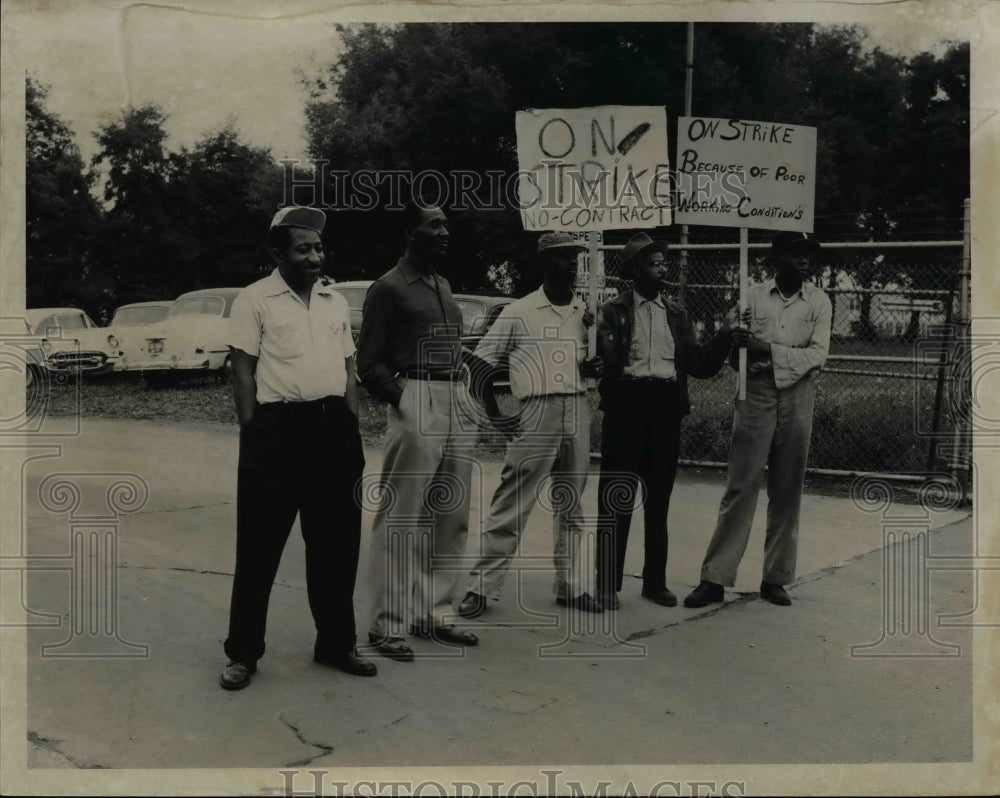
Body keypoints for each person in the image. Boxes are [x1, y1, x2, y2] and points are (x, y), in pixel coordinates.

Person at [220, 206, 374, 691]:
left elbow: (349, 366)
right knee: (260, 548)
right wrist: (256, 433)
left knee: (336, 545)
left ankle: (335, 643)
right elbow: (242, 371)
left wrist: (349, 417)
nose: (315, 257)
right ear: (277, 253)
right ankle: (243, 653)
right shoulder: (254, 300)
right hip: (278, 431)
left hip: (334, 431)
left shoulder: (332, 301)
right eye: (304, 249)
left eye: (319, 248)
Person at [458, 231, 605, 619]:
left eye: (574, 257)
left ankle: (570, 586)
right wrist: (495, 414)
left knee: (571, 505)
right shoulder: (520, 311)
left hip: (576, 407)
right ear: (545, 262)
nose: (571, 264)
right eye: (562, 257)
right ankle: (481, 587)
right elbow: (478, 364)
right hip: (536, 409)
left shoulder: (585, 312)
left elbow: (592, 365)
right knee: (512, 502)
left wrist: (595, 364)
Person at [357, 200, 479, 662]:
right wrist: (403, 399)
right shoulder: (388, 288)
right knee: (402, 517)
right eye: (435, 225)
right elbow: (368, 363)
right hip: (417, 397)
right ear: (410, 233)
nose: (446, 231)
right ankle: (386, 625)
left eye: (447, 223)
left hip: (454, 398)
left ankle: (435, 613)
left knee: (451, 514)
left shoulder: (442, 285)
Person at [684, 230, 832, 608]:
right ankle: (715, 578)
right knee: (741, 484)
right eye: (795, 253)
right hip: (756, 392)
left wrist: (768, 348)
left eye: (808, 254)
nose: (804, 260)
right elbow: (738, 353)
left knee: (787, 487)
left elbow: (817, 355)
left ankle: (776, 578)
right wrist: (738, 339)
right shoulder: (752, 296)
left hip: (798, 395)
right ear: (776, 258)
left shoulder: (818, 301)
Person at [595, 232, 736, 611]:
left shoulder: (677, 314)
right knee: (616, 500)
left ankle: (654, 582)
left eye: (662, 261)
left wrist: (724, 336)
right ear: (634, 269)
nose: (662, 267)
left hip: (664, 413)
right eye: (653, 262)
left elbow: (701, 364)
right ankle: (607, 584)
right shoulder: (613, 311)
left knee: (658, 502)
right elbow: (604, 362)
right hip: (626, 409)